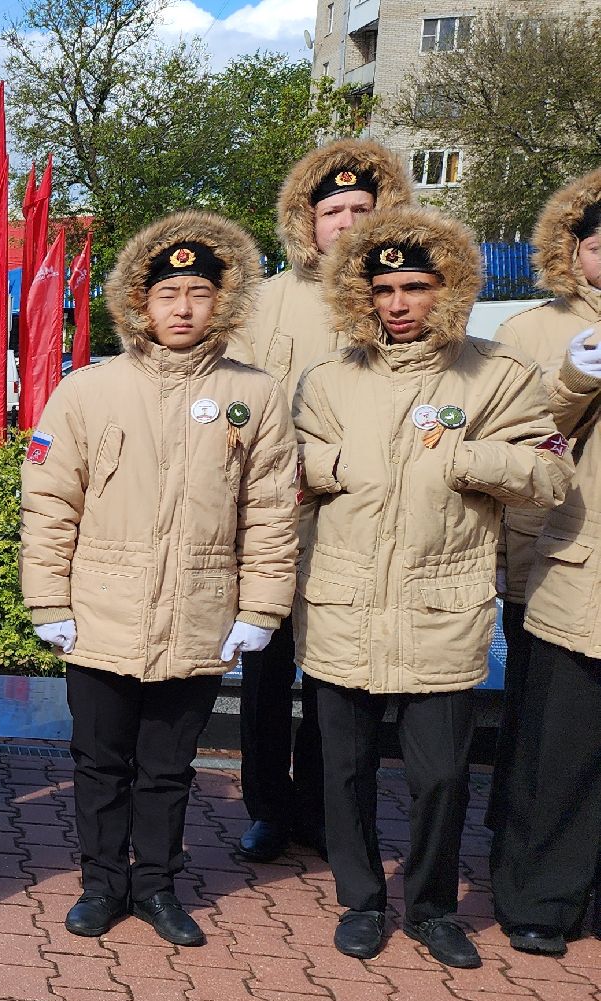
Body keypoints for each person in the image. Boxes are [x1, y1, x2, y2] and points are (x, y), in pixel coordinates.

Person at [295, 206, 570, 969]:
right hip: (342, 601)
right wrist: (332, 466)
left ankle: (429, 908)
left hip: (439, 608)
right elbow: (285, 466)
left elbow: (550, 470)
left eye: (413, 287)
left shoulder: (497, 374)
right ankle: (360, 900)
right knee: (344, 771)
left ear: (446, 289)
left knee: (441, 774)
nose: (397, 303)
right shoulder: (328, 378)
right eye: (382, 289)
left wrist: (469, 459)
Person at [23, 211, 300, 948]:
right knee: (99, 762)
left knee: (168, 766)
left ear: (222, 302)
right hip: (100, 610)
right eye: (167, 294)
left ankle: (155, 886)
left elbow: (271, 509)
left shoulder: (254, 394)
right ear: (139, 305)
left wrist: (261, 608)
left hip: (197, 611)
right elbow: (49, 501)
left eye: (198, 294)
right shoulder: (88, 389)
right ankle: (100, 885)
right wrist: (47, 600)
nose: (182, 309)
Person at [228, 139, 409, 864]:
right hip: (279, 515)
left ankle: (322, 808)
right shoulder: (266, 301)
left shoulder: (402, 296)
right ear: (308, 220)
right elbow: (236, 403)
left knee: (341, 677)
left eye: (361, 208)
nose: (346, 222)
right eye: (332, 210)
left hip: (362, 520)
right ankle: (268, 809)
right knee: (267, 673)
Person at [488, 165, 601, 842]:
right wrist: (573, 381)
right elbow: (514, 438)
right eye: (598, 247)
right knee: (538, 727)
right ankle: (514, 843)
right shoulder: (530, 330)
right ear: (573, 252)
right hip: (544, 556)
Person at [492, 322, 601, 957]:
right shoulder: (582, 343)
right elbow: (539, 434)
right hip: (584, 581)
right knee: (559, 752)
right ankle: (541, 902)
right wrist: (578, 378)